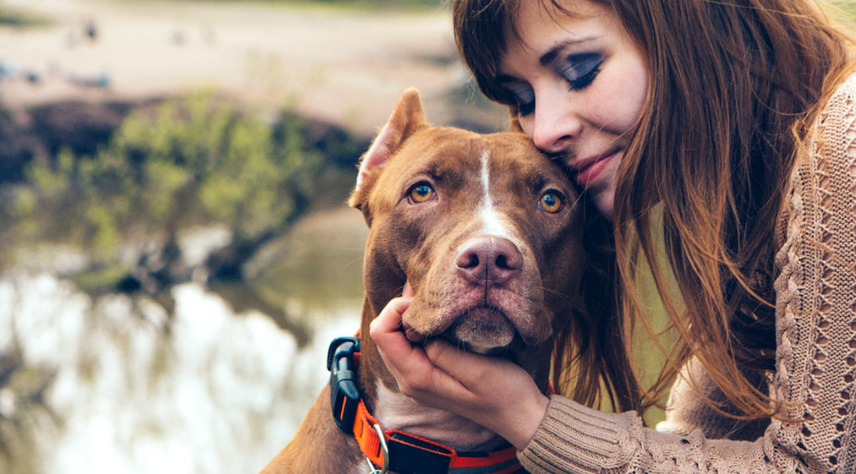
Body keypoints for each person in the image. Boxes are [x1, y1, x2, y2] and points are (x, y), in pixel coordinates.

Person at [369, 0, 856, 472]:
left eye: (580, 70)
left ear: (685, 25)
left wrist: (526, 418)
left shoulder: (843, 146)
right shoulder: (744, 196)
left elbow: (813, 466)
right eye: (524, 100)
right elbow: (702, 441)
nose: (544, 132)